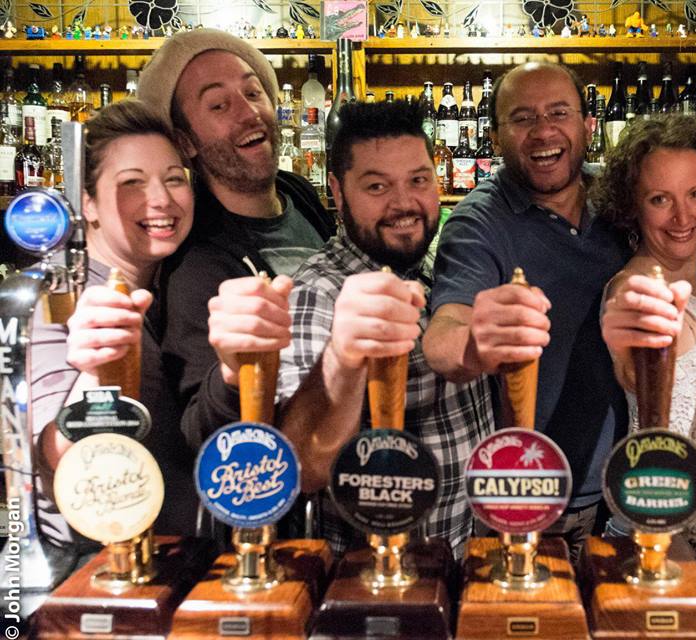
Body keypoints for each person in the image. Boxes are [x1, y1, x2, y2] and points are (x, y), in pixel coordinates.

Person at [422, 62, 632, 562]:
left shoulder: (619, 200)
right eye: (522, 118)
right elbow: (446, 335)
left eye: (559, 112)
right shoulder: (478, 221)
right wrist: (476, 341)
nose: (544, 131)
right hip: (528, 495)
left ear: (587, 123)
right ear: (494, 136)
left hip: (629, 483)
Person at [276, 101, 496, 559]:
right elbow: (302, 467)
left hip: (461, 557)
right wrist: (343, 354)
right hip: (372, 579)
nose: (404, 204)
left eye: (418, 180)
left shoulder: (436, 268)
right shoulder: (320, 292)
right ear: (337, 192)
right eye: (377, 186)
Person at [138, 29, 336, 448]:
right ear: (184, 141)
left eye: (252, 92)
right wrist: (233, 371)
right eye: (219, 104)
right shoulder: (195, 263)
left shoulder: (296, 191)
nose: (248, 113)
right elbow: (201, 428)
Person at [31, 100, 196, 556]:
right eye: (132, 183)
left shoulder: (174, 289)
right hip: (92, 575)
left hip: (172, 566)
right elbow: (51, 459)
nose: (160, 199)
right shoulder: (59, 296)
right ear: (89, 204)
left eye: (174, 178)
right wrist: (94, 373)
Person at [595, 116, 696, 545]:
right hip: (665, 538)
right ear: (632, 205)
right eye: (660, 199)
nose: (683, 216)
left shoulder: (694, 285)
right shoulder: (639, 285)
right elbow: (634, 362)